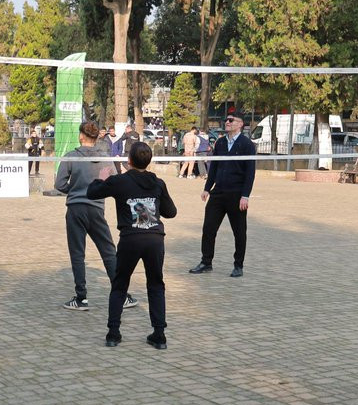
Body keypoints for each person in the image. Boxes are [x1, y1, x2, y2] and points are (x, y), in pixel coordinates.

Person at [86, 141, 177, 349]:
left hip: (131, 238)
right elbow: (171, 212)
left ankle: (113, 333)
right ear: (149, 161)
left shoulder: (120, 181)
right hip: (154, 238)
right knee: (156, 284)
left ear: (129, 160)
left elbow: (92, 192)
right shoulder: (158, 183)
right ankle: (159, 334)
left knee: (120, 284)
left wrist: (101, 179)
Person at [54, 121, 137, 312]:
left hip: (75, 209)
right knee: (108, 251)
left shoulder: (71, 157)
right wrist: (99, 189)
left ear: (81, 136)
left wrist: (75, 188)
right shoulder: (105, 158)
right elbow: (114, 182)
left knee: (77, 254)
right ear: (96, 137)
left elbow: (59, 184)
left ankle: (81, 298)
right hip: (96, 209)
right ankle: (122, 295)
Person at [189, 112, 256, 278]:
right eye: (226, 119)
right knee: (208, 229)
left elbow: (250, 173)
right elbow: (214, 167)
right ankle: (206, 262)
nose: (227, 122)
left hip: (236, 194)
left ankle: (238, 265)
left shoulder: (247, 144)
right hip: (218, 193)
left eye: (231, 120)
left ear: (240, 124)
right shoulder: (220, 142)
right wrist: (207, 188)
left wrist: (245, 195)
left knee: (239, 232)